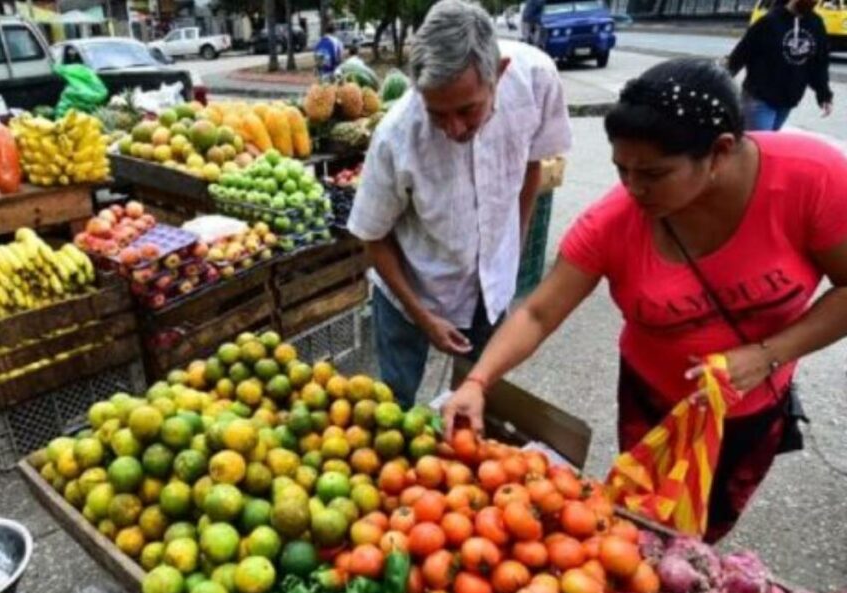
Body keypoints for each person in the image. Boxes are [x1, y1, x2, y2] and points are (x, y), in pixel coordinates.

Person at [442, 57, 847, 542]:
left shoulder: (812, 180)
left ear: (718, 152)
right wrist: (480, 381)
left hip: (752, 409)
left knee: (703, 536)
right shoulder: (614, 222)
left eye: (653, 173)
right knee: (640, 524)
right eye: (620, 169)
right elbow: (537, 311)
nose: (633, 188)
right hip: (651, 403)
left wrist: (766, 356)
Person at [347, 0, 572, 406]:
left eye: (468, 110)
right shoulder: (397, 134)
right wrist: (423, 317)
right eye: (438, 114)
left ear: (498, 75)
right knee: (394, 405)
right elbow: (372, 237)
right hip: (409, 290)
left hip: (490, 290)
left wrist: (512, 254)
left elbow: (531, 167)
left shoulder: (536, 79)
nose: (454, 128)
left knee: (475, 398)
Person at [727, 0, 833, 131]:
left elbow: (819, 63)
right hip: (759, 98)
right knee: (761, 146)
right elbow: (740, 55)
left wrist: (824, 95)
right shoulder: (768, 22)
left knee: (769, 143)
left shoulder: (816, 24)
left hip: (788, 100)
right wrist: (720, 85)